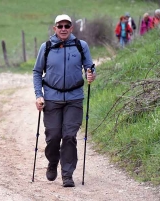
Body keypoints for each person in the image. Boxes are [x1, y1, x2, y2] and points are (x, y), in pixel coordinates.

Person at [33, 14, 96, 187]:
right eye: (59, 26)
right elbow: (37, 72)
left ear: (71, 28)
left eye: (66, 26)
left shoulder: (80, 46)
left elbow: (90, 68)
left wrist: (91, 75)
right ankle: (53, 162)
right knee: (53, 137)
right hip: (52, 99)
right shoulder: (46, 47)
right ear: (54, 28)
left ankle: (67, 175)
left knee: (69, 136)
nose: (63, 29)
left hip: (74, 98)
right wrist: (39, 95)